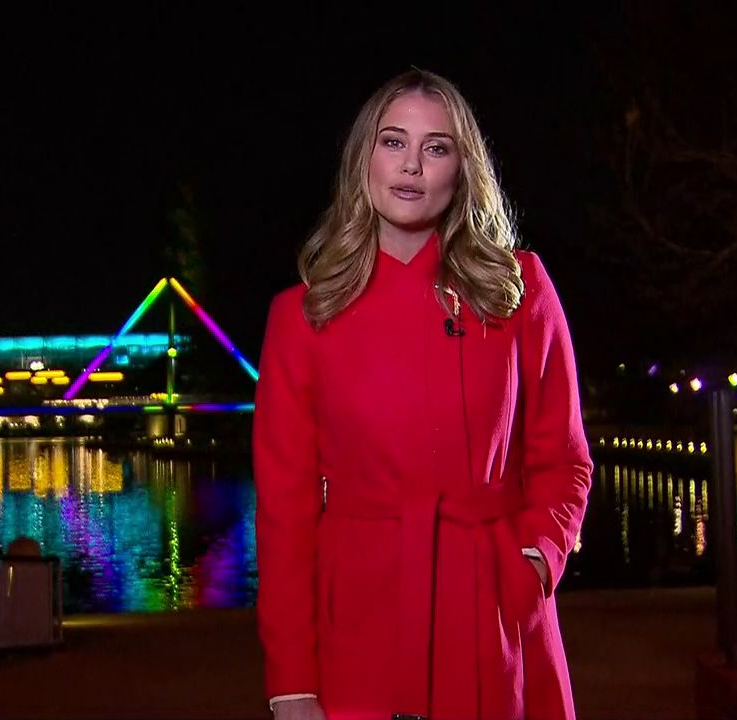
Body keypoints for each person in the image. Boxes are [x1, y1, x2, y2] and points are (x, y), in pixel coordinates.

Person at [252, 67, 593, 720]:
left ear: (462, 168)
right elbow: (284, 518)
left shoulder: (518, 290)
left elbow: (564, 458)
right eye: (393, 142)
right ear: (364, 158)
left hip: (493, 614)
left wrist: (534, 564)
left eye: (436, 147)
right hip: (360, 624)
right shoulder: (301, 316)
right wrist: (291, 680)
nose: (411, 165)